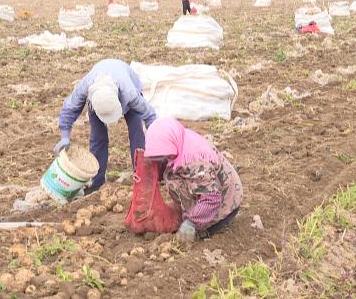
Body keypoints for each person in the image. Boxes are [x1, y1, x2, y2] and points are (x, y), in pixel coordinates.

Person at [55, 59, 157, 194]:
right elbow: (69, 109)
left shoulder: (130, 93)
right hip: (98, 94)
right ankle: (96, 182)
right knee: (97, 137)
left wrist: (155, 137)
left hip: (125, 79)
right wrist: (65, 136)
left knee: (136, 131)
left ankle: (142, 176)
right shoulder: (86, 88)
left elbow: (150, 115)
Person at [143, 117, 243, 242]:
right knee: (171, 176)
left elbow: (211, 199)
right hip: (207, 187)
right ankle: (189, 210)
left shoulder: (195, 162)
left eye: (165, 154)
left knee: (199, 234)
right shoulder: (180, 139)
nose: (163, 157)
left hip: (223, 202)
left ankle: (203, 220)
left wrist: (191, 222)